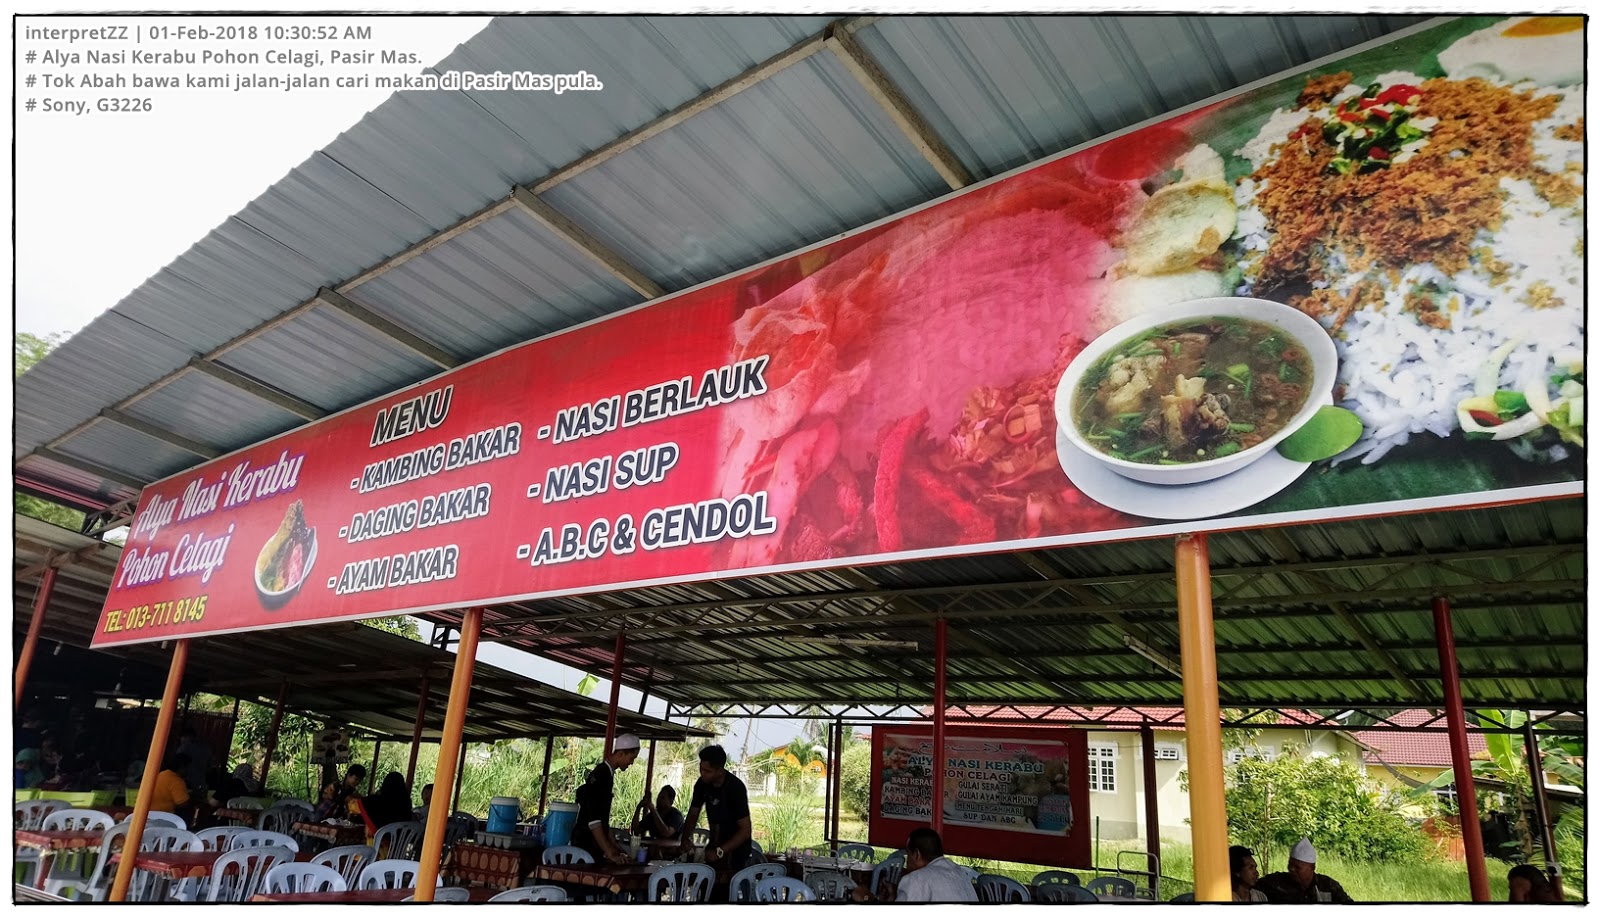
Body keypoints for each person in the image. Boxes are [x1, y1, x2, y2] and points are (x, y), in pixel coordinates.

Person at [851, 828, 977, 902]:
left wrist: (868, 899)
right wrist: (895, 896)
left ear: (916, 855)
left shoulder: (916, 879)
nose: (907, 861)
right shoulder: (960, 873)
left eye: (908, 855)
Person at [682, 745, 754, 871]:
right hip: (713, 846)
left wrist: (720, 851)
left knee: (728, 887)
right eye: (701, 769)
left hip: (736, 853)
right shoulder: (701, 784)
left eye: (707, 771)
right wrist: (686, 839)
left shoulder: (735, 788)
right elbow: (693, 814)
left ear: (720, 771)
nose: (702, 773)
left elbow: (745, 830)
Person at [574, 734, 642, 865]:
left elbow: (602, 818)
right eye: (631, 758)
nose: (631, 762)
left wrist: (613, 845)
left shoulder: (604, 773)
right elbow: (594, 820)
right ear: (621, 753)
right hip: (587, 842)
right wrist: (610, 853)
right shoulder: (602, 775)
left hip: (589, 839)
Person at [1258, 838, 1354, 903]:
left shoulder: (1327, 886)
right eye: (1290, 864)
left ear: (1312, 868)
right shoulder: (1276, 883)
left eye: (1297, 867)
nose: (1291, 869)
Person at [148, 752, 193, 818]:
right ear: (182, 767)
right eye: (188, 768)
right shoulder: (176, 780)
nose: (189, 771)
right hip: (166, 817)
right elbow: (182, 803)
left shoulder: (161, 774)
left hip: (149, 815)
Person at [176, 726, 212, 797]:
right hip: (201, 785)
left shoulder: (182, 749)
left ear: (188, 737)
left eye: (182, 737)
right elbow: (209, 768)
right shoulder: (206, 749)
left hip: (186, 785)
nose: (181, 740)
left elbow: (176, 766)